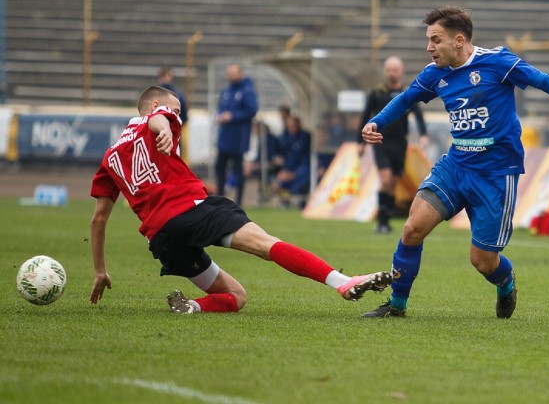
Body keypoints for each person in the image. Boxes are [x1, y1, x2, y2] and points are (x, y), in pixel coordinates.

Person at [360, 6, 549, 319]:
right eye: (428, 40)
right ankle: (397, 305)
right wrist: (376, 121)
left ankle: (505, 282)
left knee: (483, 261)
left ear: (459, 40)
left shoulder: (497, 62)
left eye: (435, 40)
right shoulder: (434, 74)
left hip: (495, 174)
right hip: (456, 165)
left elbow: (542, 80)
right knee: (412, 229)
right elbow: (406, 98)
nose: (429, 47)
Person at [89, 85, 391, 314]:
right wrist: (165, 126)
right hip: (189, 210)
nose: (177, 116)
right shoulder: (156, 121)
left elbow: (98, 220)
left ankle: (192, 306)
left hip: (163, 239)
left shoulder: (110, 157)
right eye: (175, 111)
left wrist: (100, 270)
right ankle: (342, 282)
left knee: (236, 297)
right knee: (266, 244)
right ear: (156, 106)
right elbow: (157, 120)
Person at [359, 56, 429, 234]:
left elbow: (418, 116)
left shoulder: (406, 94)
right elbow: (365, 116)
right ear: (385, 71)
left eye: (395, 70)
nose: (391, 73)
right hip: (381, 143)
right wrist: (360, 142)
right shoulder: (377, 93)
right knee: (385, 179)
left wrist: (423, 135)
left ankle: (386, 220)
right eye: (389, 70)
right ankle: (381, 221)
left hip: (400, 143)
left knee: (393, 183)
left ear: (401, 72)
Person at [215, 63, 258, 206]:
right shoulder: (226, 91)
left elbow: (252, 111)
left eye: (235, 73)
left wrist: (232, 116)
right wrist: (220, 117)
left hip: (238, 138)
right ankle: (220, 198)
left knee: (237, 169)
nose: (232, 76)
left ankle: (239, 200)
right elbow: (221, 108)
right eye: (230, 73)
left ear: (240, 73)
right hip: (224, 137)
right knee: (219, 166)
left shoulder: (246, 91)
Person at [273, 114, 312, 202]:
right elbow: (278, 153)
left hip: (302, 167)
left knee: (304, 174)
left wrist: (294, 173)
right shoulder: (283, 137)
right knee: (278, 182)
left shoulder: (305, 137)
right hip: (287, 168)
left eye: (294, 124)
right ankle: (286, 197)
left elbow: (306, 157)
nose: (292, 127)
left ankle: (292, 195)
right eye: (289, 125)